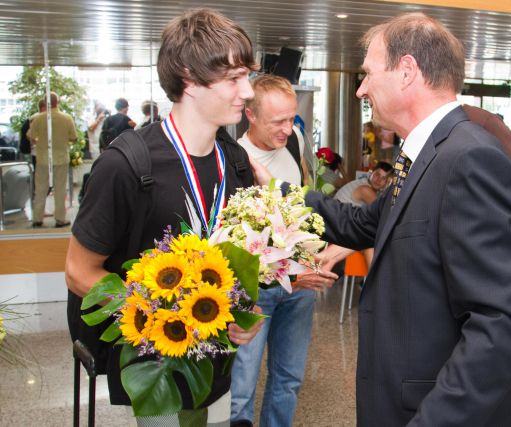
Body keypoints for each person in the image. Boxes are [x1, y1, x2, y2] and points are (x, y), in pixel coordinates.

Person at [251, 12, 511, 426]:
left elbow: (499, 326)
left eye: (367, 73)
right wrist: (278, 194)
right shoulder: (422, 153)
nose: (361, 88)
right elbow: (361, 223)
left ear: (406, 71)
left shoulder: (470, 157)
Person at [65, 8, 264, 426]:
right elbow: (78, 271)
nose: (247, 91)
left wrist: (242, 312)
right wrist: (157, 314)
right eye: (234, 78)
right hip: (158, 363)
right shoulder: (126, 165)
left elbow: (234, 259)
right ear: (189, 78)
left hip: (217, 363)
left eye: (247, 76)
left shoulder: (236, 161)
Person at [230, 74, 337, 427]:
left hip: (299, 289)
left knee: (288, 380)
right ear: (251, 115)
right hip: (256, 289)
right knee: (240, 388)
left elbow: (301, 210)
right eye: (278, 121)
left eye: (292, 119)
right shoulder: (235, 161)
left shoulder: (294, 142)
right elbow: (236, 242)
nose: (288, 129)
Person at [27, 92, 77, 228]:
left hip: (43, 158)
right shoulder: (66, 118)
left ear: (44, 102)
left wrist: (40, 142)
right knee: (60, 189)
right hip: (61, 157)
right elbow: (74, 137)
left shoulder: (38, 118)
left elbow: (31, 136)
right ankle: (60, 219)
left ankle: (37, 218)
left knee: (40, 189)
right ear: (58, 102)